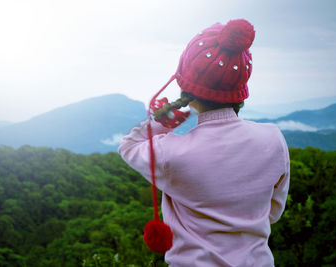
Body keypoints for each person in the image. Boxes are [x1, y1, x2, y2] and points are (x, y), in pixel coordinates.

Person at [118, 19, 290, 267]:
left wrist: (164, 121)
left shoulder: (171, 153)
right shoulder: (273, 139)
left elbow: (130, 146)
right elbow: (272, 213)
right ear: (241, 87)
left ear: (186, 86)